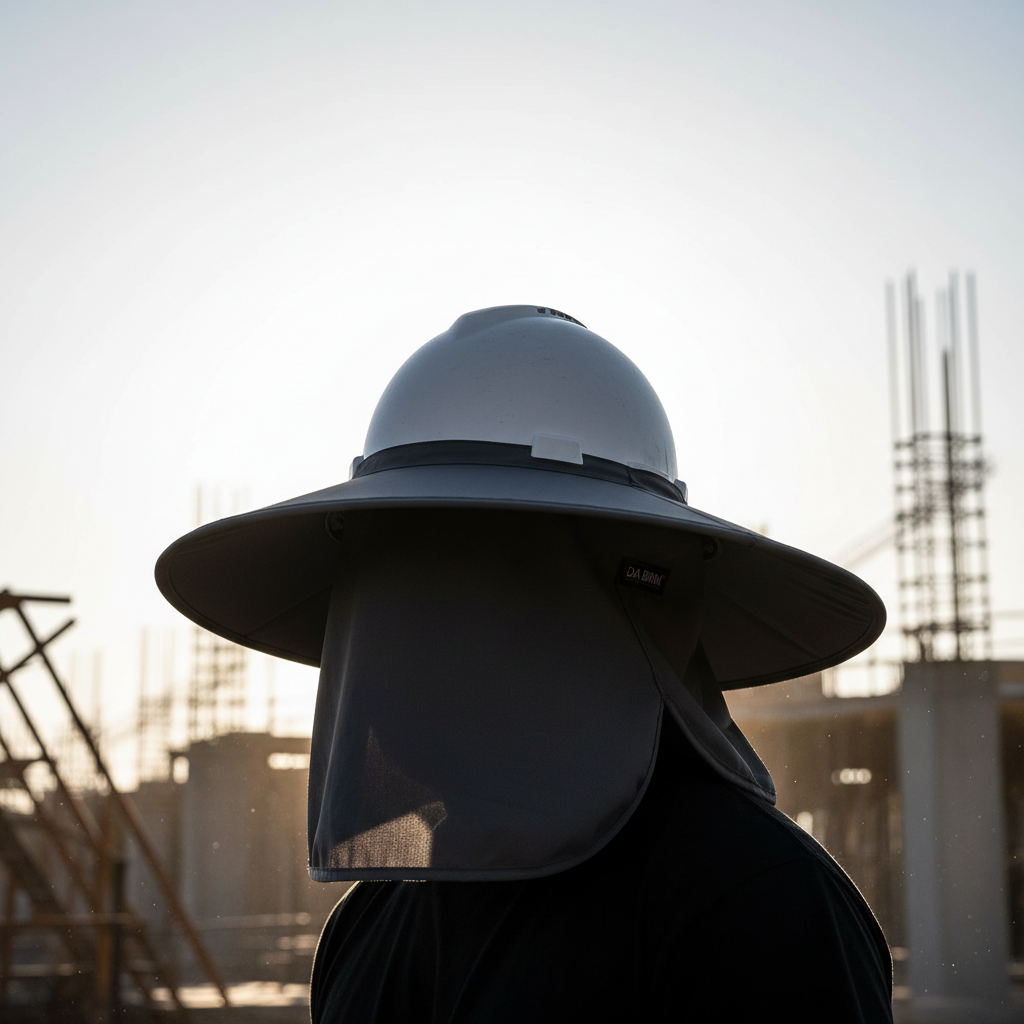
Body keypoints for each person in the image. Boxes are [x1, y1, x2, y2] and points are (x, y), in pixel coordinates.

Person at [157, 305, 893, 1021]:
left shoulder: (753, 900)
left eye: (457, 582)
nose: (413, 639)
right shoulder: (373, 918)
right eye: (399, 587)